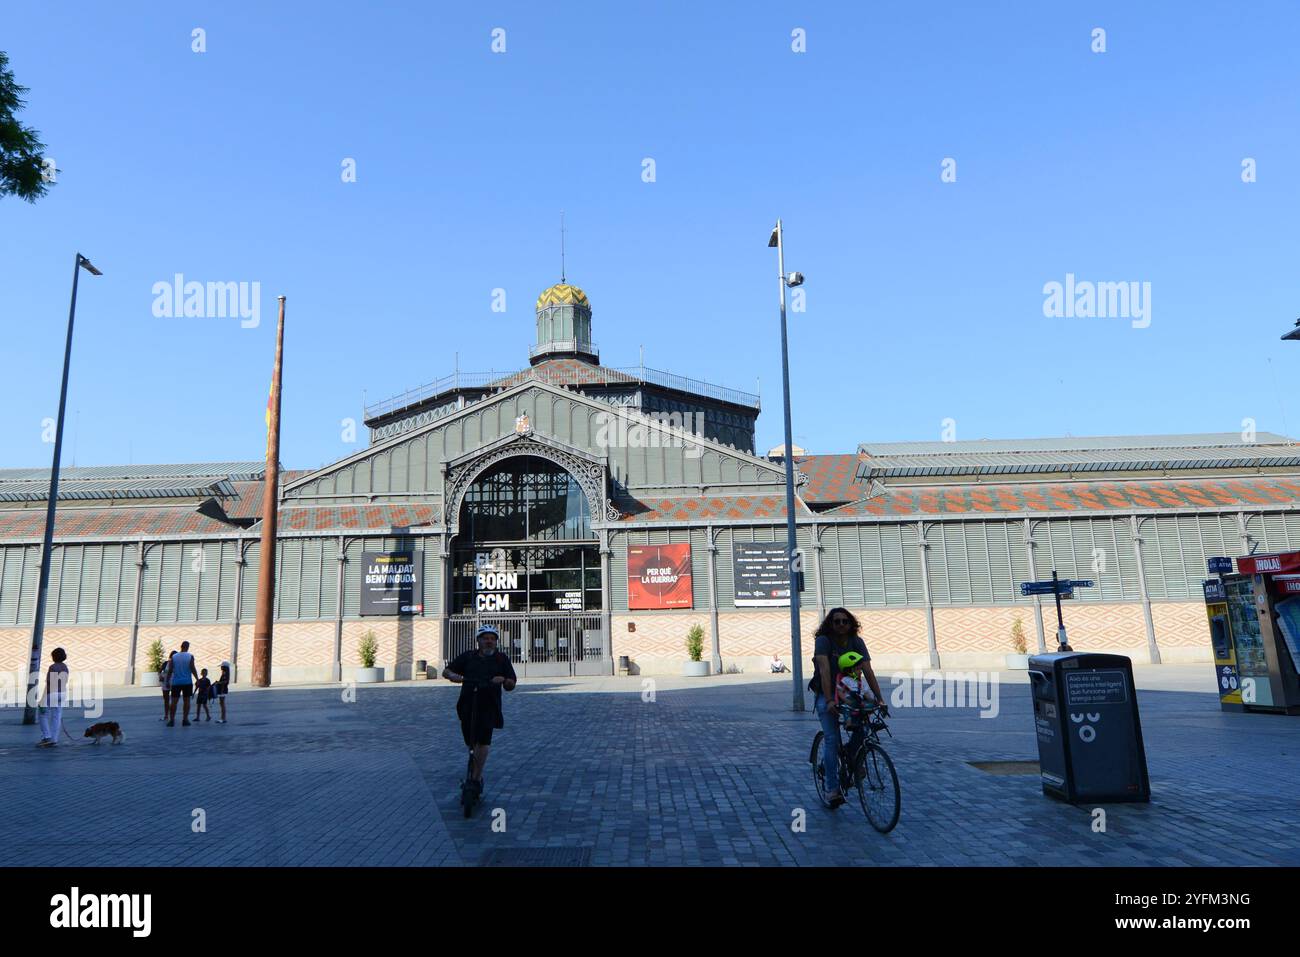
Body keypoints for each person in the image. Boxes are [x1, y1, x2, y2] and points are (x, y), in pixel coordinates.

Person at [809, 607, 886, 808]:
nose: (841, 625)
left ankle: (853, 756)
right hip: (827, 694)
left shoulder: (857, 642)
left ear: (851, 623)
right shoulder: (823, 641)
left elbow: (868, 671)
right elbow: (825, 671)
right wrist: (829, 701)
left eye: (845, 621)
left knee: (866, 725)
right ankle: (832, 789)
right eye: (837, 622)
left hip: (850, 692)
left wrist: (880, 699)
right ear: (830, 624)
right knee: (832, 739)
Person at [442, 625, 517, 796]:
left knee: (483, 741)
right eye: (485, 638)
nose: (489, 642)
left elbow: (511, 684)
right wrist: (453, 676)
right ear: (479, 641)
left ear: (496, 642)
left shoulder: (501, 659)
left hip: (489, 705)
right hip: (467, 703)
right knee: (471, 742)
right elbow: (447, 671)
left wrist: (504, 680)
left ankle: (475, 779)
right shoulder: (469, 657)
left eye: (492, 639)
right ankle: (474, 768)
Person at [36, 647, 69, 748]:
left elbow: (51, 683)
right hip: (62, 693)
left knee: (42, 714)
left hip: (52, 693)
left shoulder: (53, 667)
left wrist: (43, 699)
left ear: (54, 657)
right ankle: (54, 739)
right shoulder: (65, 667)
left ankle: (47, 737)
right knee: (57, 716)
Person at [167, 641, 199, 727]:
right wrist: (197, 679)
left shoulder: (174, 656)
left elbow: (170, 670)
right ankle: (185, 720)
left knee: (174, 702)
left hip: (176, 682)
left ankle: (171, 720)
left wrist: (167, 681)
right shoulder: (190, 656)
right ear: (187, 647)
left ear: (181, 646)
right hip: (187, 682)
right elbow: (192, 668)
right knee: (186, 701)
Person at [160, 650, 176, 721]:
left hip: (174, 683)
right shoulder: (166, 663)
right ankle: (166, 715)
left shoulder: (177, 664)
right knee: (166, 700)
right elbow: (160, 671)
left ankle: (172, 716)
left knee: (173, 700)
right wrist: (161, 676)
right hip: (165, 683)